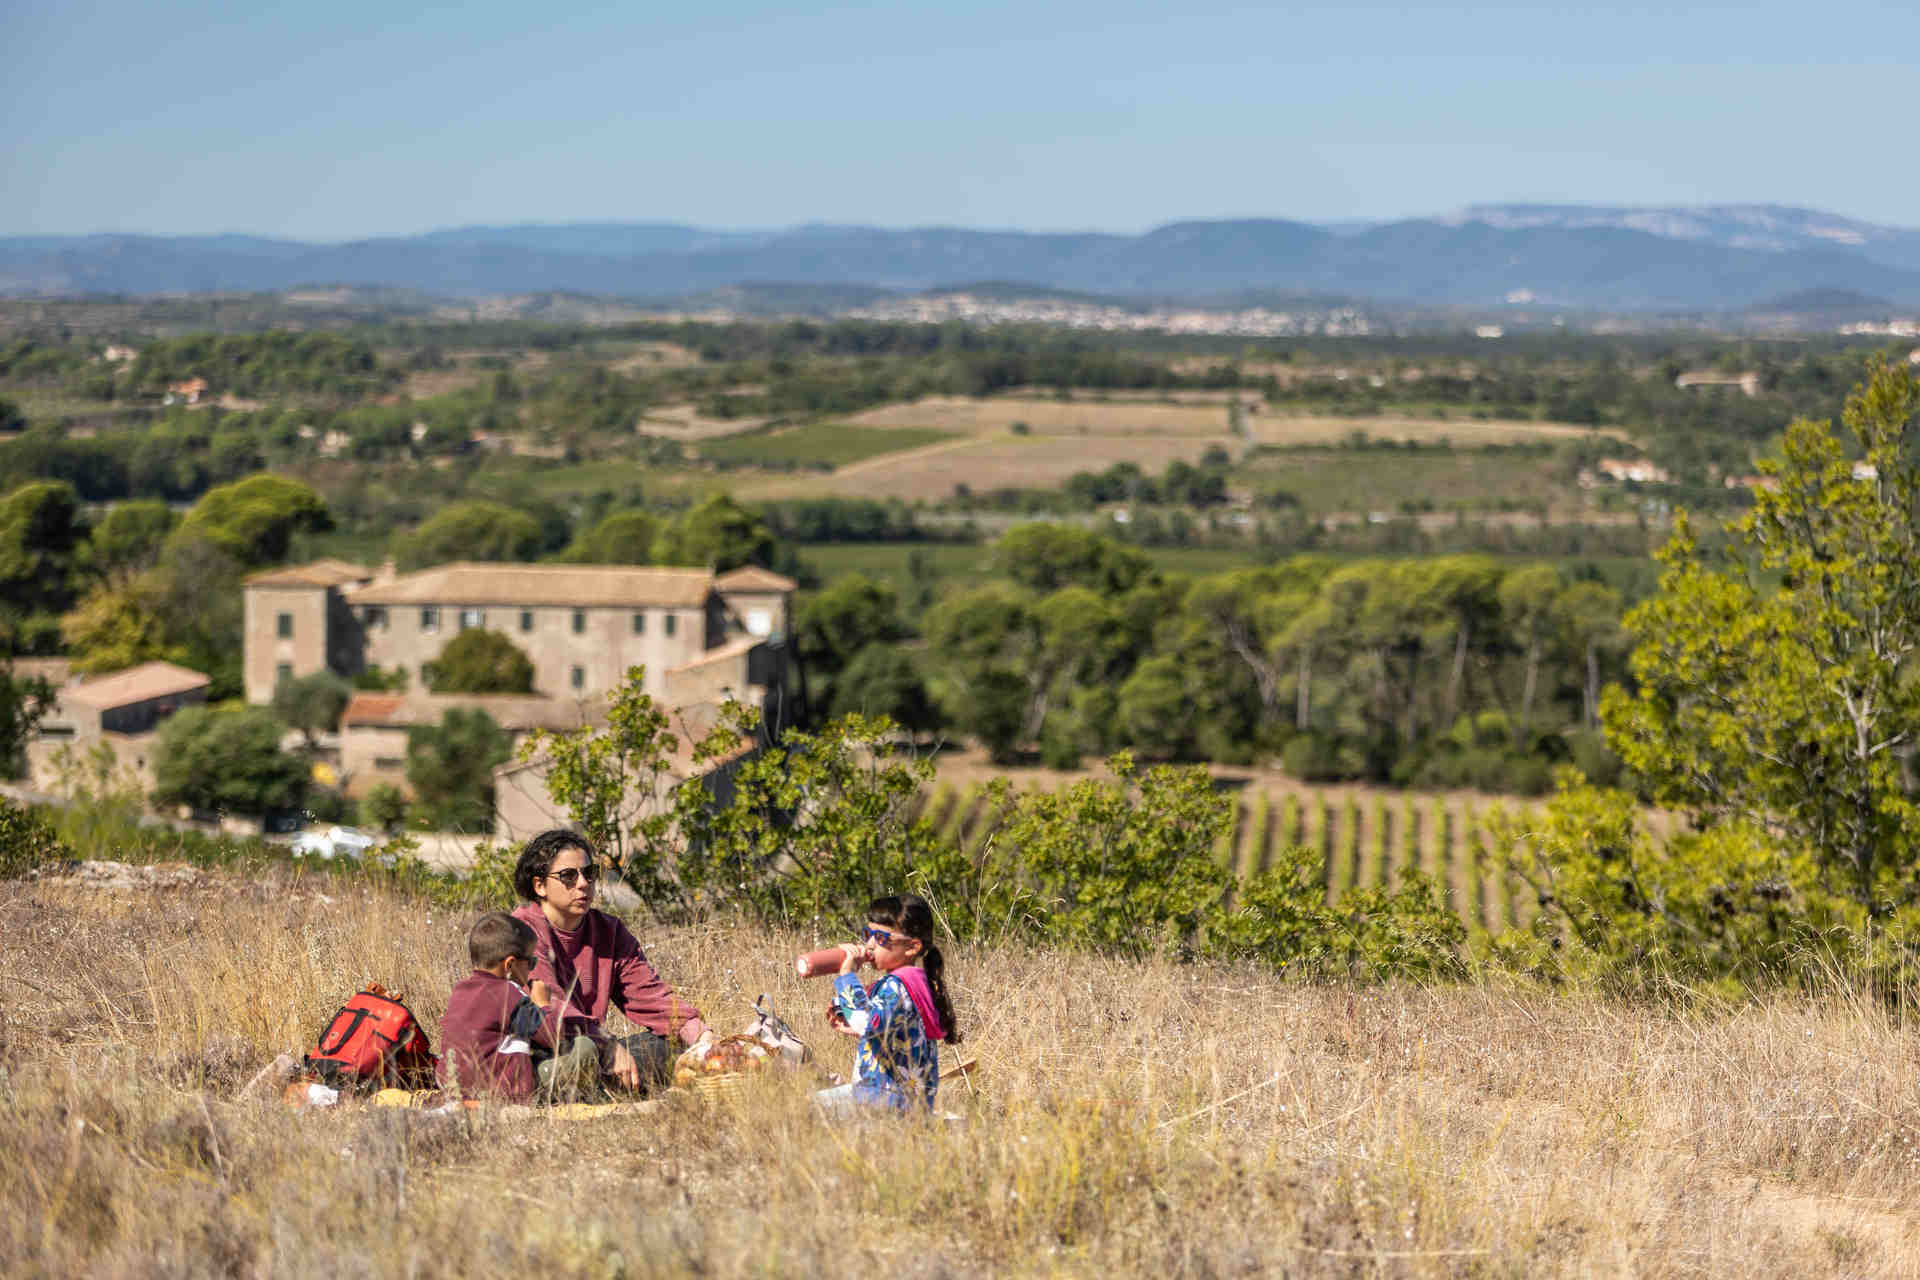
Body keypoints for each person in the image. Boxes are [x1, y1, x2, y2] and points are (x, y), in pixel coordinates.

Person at [509, 828, 709, 1095]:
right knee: (584, 1051)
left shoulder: (609, 931)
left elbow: (651, 996)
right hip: (539, 1056)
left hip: (594, 1049)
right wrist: (608, 1045)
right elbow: (553, 1010)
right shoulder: (522, 930)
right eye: (568, 876)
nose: (582, 883)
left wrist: (702, 1037)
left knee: (677, 1046)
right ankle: (593, 1091)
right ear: (539, 886)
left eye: (589, 873)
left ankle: (602, 1091)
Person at [816, 893, 962, 1115]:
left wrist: (847, 975)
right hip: (905, 1102)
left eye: (881, 938)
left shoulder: (898, 985)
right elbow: (893, 1033)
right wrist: (851, 1023)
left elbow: (866, 1023)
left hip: (883, 1100)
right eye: (868, 934)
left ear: (912, 947)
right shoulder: (915, 981)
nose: (870, 945)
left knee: (807, 1107)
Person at [438, 911, 576, 1102]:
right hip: (502, 1094)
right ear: (510, 965)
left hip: (455, 1091)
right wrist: (543, 1003)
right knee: (584, 1049)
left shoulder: (460, 991)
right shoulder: (508, 992)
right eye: (531, 963)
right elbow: (553, 1036)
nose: (532, 969)